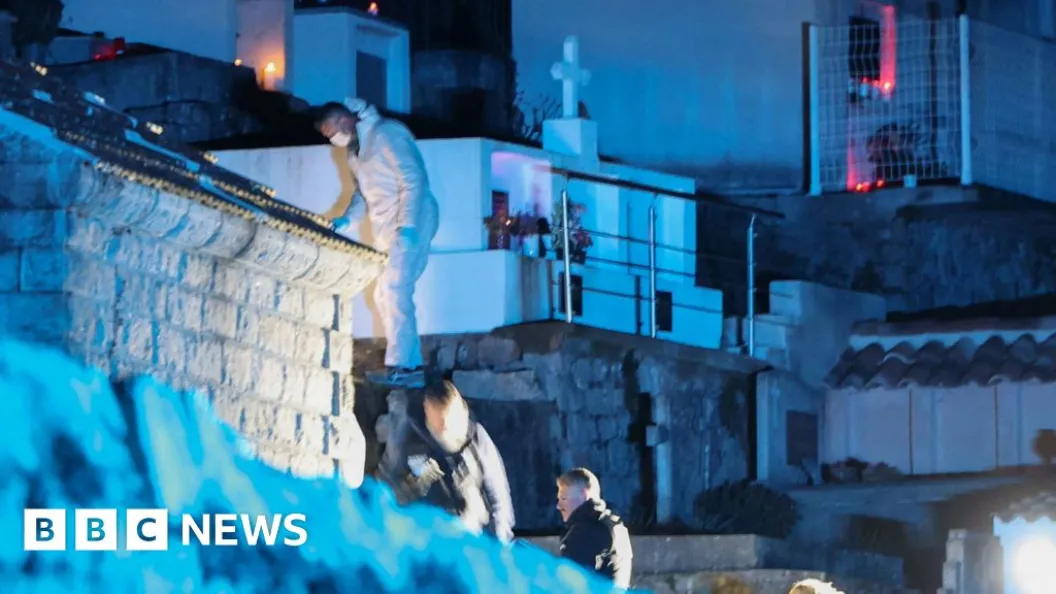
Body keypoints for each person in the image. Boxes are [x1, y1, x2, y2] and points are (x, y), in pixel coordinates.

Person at [315, 98, 439, 388]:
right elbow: (363, 194)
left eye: (332, 131)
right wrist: (347, 219)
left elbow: (413, 180)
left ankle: (404, 368)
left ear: (345, 120)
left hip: (412, 222)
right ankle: (407, 365)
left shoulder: (387, 133)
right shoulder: (355, 153)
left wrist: (408, 226)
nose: (333, 139)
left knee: (395, 290)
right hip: (388, 229)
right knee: (385, 295)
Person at [376, 380, 515, 543]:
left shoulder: (476, 437)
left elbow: (498, 494)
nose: (445, 428)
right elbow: (385, 488)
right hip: (425, 539)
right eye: (439, 423)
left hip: (472, 537)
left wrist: (499, 540)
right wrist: (414, 486)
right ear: (427, 410)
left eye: (451, 422)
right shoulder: (407, 440)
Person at [555, 468, 633, 588]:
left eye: (564, 498)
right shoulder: (614, 524)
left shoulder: (586, 531)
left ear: (583, 495)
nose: (559, 506)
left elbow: (570, 584)